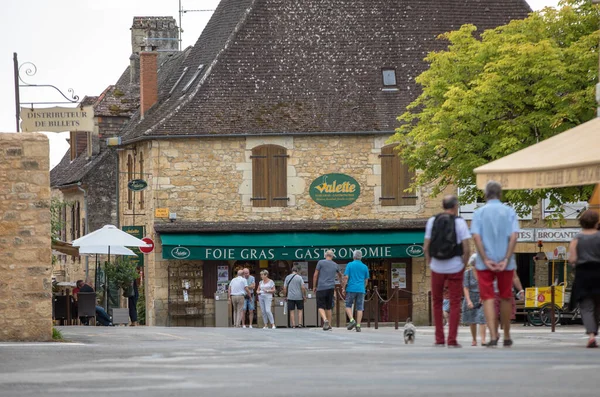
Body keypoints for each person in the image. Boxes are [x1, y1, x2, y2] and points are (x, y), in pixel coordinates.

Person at [471, 181, 519, 348]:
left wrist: (484, 259)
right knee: (506, 296)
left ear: (485, 194)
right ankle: (506, 334)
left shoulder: (479, 213)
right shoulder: (510, 212)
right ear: (500, 194)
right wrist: (506, 258)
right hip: (506, 262)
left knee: (488, 298)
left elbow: (476, 237)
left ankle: (492, 335)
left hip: (485, 263)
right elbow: (514, 236)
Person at [424, 194, 471, 347]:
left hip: (437, 265)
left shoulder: (432, 221)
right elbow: (466, 248)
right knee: (455, 302)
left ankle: (439, 339)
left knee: (437, 302)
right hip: (455, 265)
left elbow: (426, 247)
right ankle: (452, 339)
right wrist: (462, 265)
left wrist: (431, 262)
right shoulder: (460, 222)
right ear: (455, 206)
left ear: (443, 206)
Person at [568, 210, 600, 348]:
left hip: (583, 274)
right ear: (596, 222)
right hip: (598, 272)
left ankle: (591, 335)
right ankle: (595, 330)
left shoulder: (576, 239)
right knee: (597, 305)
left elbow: (572, 259)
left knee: (586, 306)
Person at [313, 250, 343, 331]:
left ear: (325, 255)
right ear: (332, 256)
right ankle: (329, 325)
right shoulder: (335, 265)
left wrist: (314, 286)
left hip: (321, 287)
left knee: (320, 306)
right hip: (331, 287)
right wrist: (341, 283)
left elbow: (315, 275)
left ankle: (325, 320)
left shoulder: (320, 262)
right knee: (329, 307)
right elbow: (340, 275)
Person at [462, 254, 487, 346]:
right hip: (471, 296)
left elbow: (486, 285)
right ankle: (474, 339)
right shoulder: (467, 273)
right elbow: (465, 287)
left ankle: (483, 340)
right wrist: (468, 301)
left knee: (482, 318)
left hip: (482, 296)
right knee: (472, 320)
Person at [342, 250, 370, 332]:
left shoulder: (350, 265)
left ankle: (352, 320)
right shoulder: (365, 267)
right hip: (361, 289)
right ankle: (358, 325)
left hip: (351, 288)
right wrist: (363, 287)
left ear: (353, 256)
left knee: (348, 305)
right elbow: (366, 280)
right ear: (361, 257)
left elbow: (346, 277)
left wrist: (343, 287)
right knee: (360, 308)